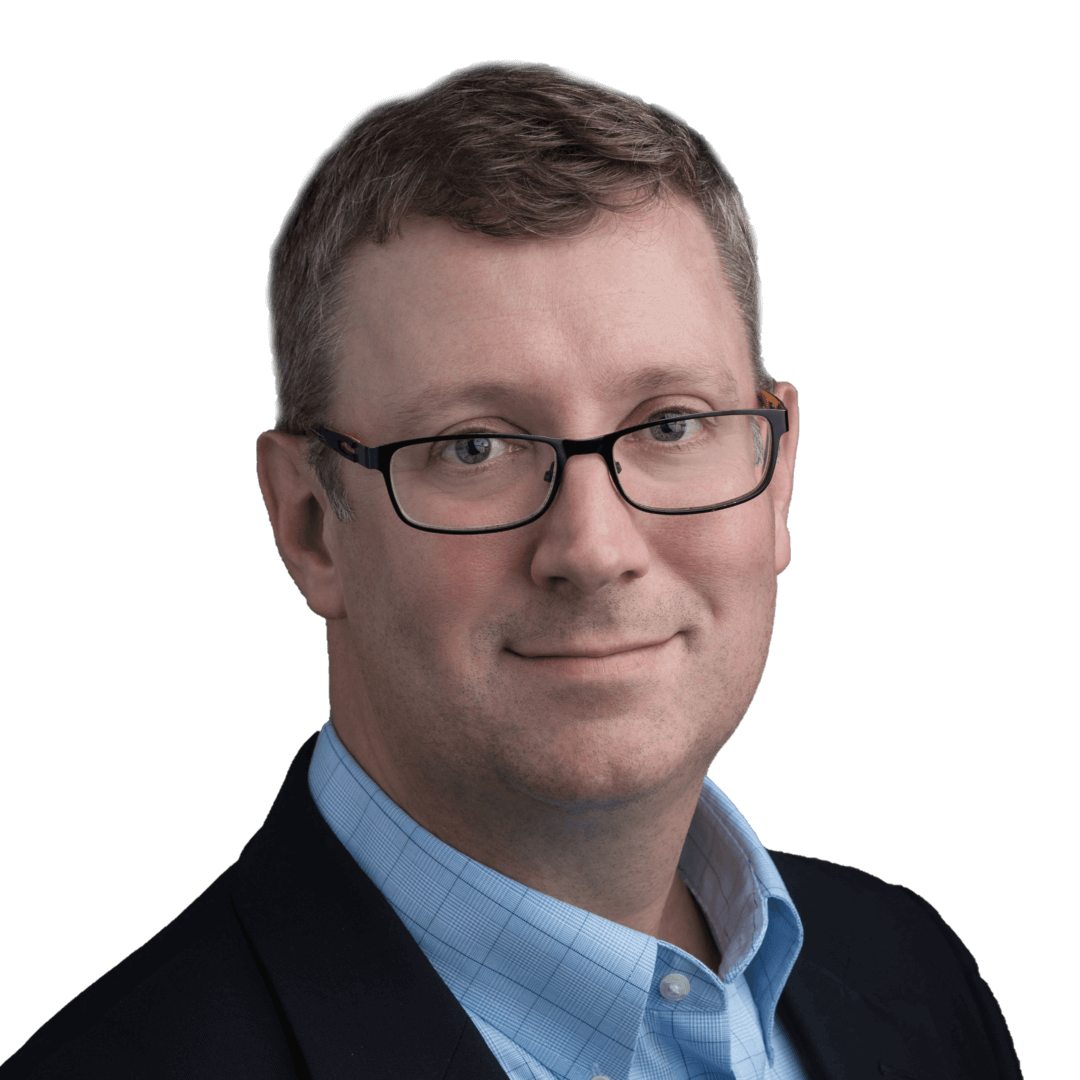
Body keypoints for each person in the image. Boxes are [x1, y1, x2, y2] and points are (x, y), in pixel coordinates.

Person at [3, 61, 1021, 1080]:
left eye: (671, 423)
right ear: (310, 524)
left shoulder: (914, 975)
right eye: (474, 447)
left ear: (779, 476)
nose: (594, 549)